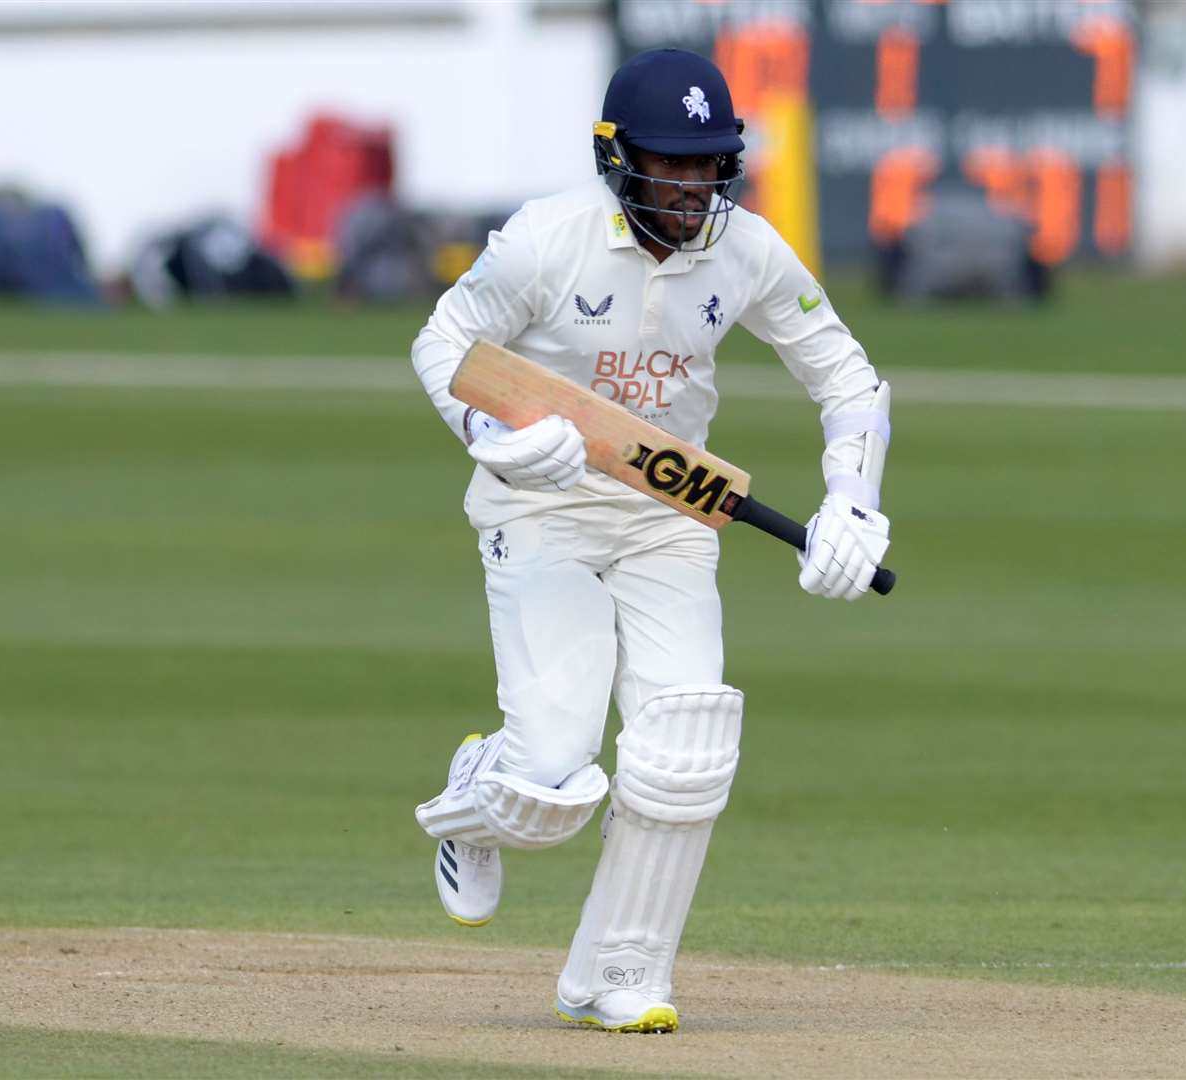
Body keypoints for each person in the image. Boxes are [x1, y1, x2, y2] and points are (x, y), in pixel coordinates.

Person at [410, 47, 892, 1034]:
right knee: (548, 784)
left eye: (706, 164)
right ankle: (474, 796)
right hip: (537, 509)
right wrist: (498, 438)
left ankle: (617, 974)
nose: (688, 186)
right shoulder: (546, 240)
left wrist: (851, 503)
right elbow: (442, 345)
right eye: (667, 164)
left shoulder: (748, 250)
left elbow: (849, 380)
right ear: (615, 156)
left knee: (684, 748)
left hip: (669, 518)